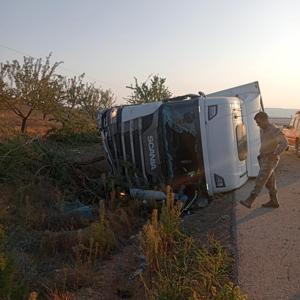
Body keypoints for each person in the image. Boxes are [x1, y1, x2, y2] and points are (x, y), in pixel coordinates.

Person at [240, 111, 288, 209]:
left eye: (259, 122)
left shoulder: (274, 130)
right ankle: (274, 201)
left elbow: (285, 143)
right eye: (257, 123)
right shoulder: (263, 129)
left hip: (270, 159)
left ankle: (250, 200)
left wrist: (275, 153)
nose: (258, 125)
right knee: (270, 182)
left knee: (260, 179)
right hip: (263, 158)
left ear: (265, 120)